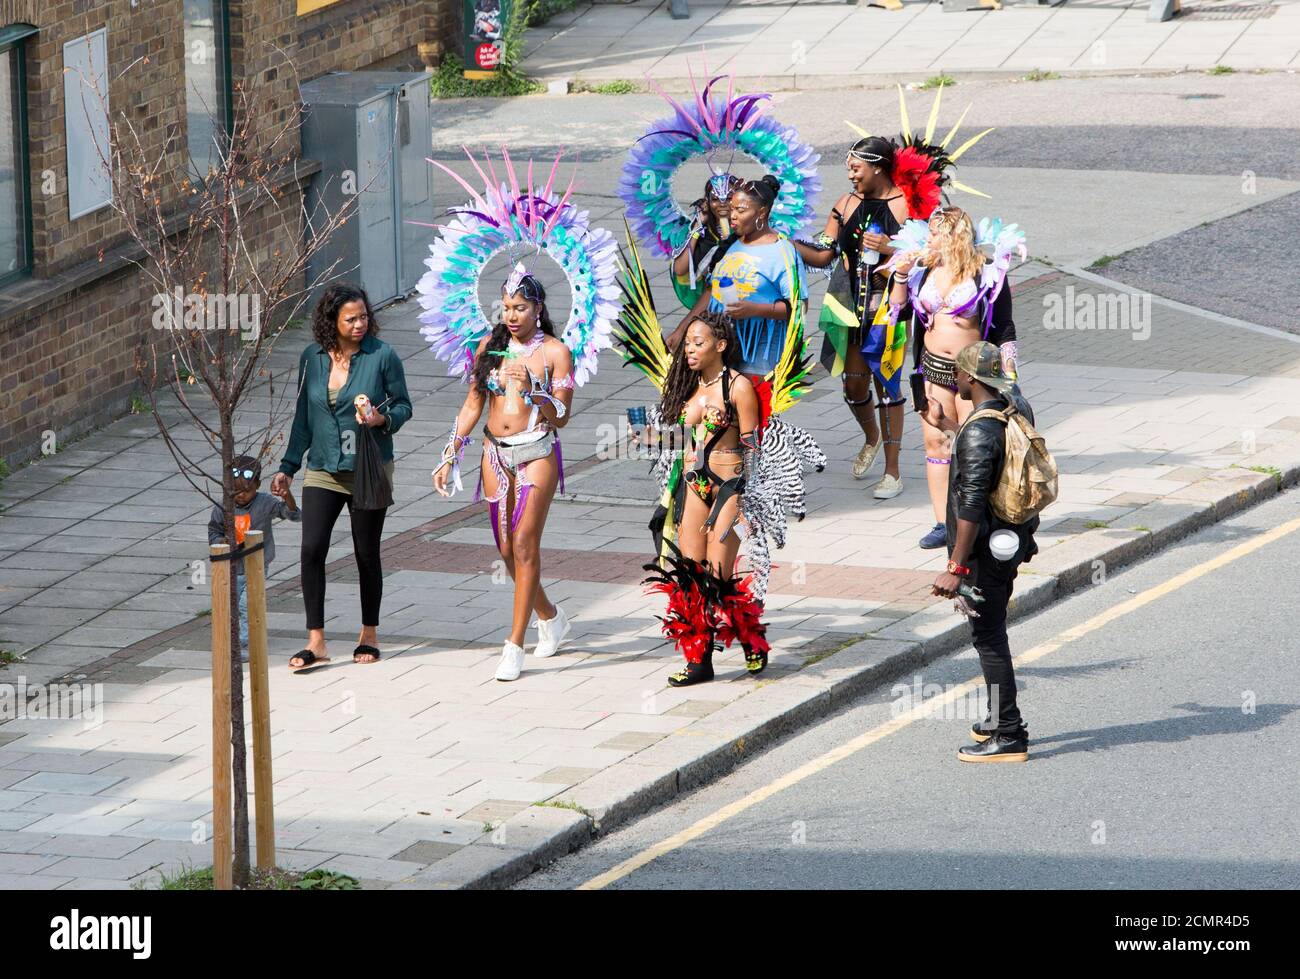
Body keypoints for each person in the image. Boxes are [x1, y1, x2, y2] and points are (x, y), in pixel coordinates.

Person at [433, 267, 575, 682]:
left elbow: (562, 417)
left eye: (521, 307)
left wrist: (536, 389)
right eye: (508, 307)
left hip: (537, 453)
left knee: (526, 544)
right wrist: (449, 454)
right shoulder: (489, 348)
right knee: (507, 551)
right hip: (494, 454)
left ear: (538, 308)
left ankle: (514, 646)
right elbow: (472, 406)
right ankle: (550, 616)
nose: (512, 315)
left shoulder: (555, 352)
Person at [272, 283, 413, 672]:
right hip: (323, 467)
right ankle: (316, 641)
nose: (359, 324)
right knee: (311, 548)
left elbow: (404, 405)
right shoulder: (312, 359)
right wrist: (287, 467)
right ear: (331, 320)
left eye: (364, 316)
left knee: (366, 552)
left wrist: (381, 419)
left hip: (369, 468)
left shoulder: (383, 356)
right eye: (350, 319)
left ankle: (369, 632)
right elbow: (304, 417)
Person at [925, 341, 1038, 763]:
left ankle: (1009, 734)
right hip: (1009, 541)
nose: (955, 380)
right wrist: (948, 428)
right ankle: (996, 718)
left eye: (958, 374)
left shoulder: (979, 430)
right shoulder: (1015, 406)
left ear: (970, 378)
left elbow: (971, 503)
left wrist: (955, 566)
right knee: (992, 631)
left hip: (983, 553)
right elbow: (993, 461)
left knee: (988, 637)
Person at [888, 206, 1019, 551]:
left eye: (934, 234)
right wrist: (900, 276)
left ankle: (979, 517)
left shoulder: (986, 273)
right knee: (937, 444)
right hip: (931, 368)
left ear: (952, 237)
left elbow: (1004, 326)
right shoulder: (923, 270)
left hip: (973, 374)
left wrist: (1010, 374)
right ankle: (941, 522)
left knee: (973, 446)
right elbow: (898, 313)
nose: (927, 239)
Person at [650, 311, 766, 687]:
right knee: (690, 573)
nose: (690, 350)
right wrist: (645, 437)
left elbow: (753, 448)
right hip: (693, 480)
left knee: (718, 576)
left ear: (721, 345)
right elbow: (673, 438)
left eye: (698, 343)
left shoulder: (739, 387)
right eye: (687, 344)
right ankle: (699, 661)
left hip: (728, 484)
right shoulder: (689, 385)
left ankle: (750, 639)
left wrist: (746, 499)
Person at [797, 136, 910, 499]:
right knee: (853, 386)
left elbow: (927, 256)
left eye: (855, 168)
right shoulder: (846, 204)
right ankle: (871, 437)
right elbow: (823, 255)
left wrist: (890, 250)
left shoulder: (906, 205)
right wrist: (784, 240)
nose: (850, 175)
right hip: (847, 304)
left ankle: (892, 473)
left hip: (887, 310)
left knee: (887, 388)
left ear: (877, 166)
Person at [669, 174, 808, 381]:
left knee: (751, 409)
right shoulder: (731, 246)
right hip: (723, 343)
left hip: (760, 350)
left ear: (761, 213)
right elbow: (712, 293)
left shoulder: (783, 252)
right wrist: (683, 329)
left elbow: (800, 307)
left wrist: (753, 309)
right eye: (732, 208)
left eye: (740, 210)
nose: (732, 215)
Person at [207, 455, 300, 662]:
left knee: (246, 604)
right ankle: (236, 638)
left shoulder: (265, 503)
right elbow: (213, 529)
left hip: (255, 566)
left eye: (247, 491)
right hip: (231, 566)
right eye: (237, 491)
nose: (241, 496)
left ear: (258, 484)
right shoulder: (224, 506)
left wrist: (288, 497)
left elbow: (293, 515)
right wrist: (218, 540)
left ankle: (244, 643)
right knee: (230, 605)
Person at [670, 174, 740, 311]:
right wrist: (697, 227)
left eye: (729, 198)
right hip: (709, 306)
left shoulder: (748, 229)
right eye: (715, 199)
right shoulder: (702, 232)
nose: (722, 204)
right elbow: (680, 270)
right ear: (707, 202)